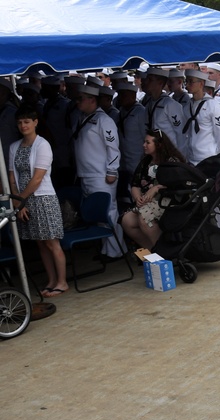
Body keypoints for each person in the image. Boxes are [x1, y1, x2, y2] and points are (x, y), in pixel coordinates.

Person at [8, 106, 68, 297]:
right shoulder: (14, 146)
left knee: (52, 242)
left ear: (35, 122)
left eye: (27, 121)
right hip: (24, 201)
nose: (23, 125)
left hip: (43, 199)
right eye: (19, 122)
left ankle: (62, 281)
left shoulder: (43, 145)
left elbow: (37, 178)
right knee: (40, 244)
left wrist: (20, 201)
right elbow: (11, 176)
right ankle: (51, 280)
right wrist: (18, 201)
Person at [73, 84, 122, 258]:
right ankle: (105, 249)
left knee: (108, 212)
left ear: (92, 100)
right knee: (99, 216)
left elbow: (113, 148)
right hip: (87, 173)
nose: (77, 101)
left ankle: (115, 251)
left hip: (101, 175)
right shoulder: (82, 117)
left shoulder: (104, 120)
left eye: (81, 98)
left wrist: (112, 171)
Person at [120, 129, 186, 250]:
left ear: (159, 144)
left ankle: (163, 252)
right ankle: (153, 250)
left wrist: (156, 188)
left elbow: (177, 182)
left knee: (144, 218)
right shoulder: (145, 162)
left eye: (147, 142)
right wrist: (137, 198)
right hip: (147, 202)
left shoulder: (171, 161)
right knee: (127, 221)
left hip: (168, 201)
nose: (144, 145)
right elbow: (135, 184)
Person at [180, 70, 220, 164]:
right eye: (187, 82)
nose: (187, 85)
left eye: (191, 81)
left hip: (208, 157)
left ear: (201, 83)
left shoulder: (213, 105)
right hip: (190, 157)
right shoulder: (188, 106)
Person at [142, 68, 185, 157]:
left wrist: (179, 157)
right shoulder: (149, 104)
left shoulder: (170, 105)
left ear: (160, 83)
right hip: (154, 153)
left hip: (168, 153)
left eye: (150, 80)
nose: (146, 82)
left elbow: (181, 134)